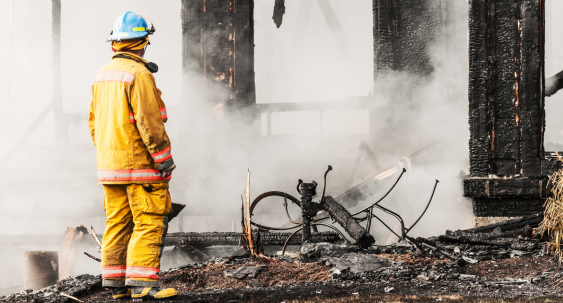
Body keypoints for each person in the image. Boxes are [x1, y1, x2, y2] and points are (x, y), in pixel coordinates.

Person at [88, 11, 177, 302]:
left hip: (109, 167)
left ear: (114, 44)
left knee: (117, 223)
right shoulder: (139, 74)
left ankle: (115, 287)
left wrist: (108, 157)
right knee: (149, 220)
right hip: (139, 166)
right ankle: (143, 286)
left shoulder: (102, 76)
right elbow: (149, 121)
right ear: (143, 42)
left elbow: (93, 123)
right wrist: (163, 158)